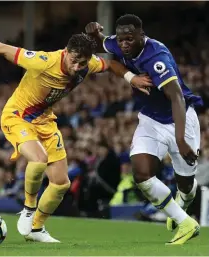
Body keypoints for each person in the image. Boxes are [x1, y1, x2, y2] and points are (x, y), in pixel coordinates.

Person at [0, 33, 151, 243]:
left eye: (82, 63)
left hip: (45, 122)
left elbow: (110, 64)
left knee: (61, 183)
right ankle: (29, 208)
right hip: (18, 116)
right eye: (74, 61)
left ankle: (36, 228)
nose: (77, 67)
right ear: (66, 52)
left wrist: (132, 78)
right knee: (38, 159)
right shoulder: (43, 61)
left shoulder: (88, 64)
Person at [85, 14, 203, 245]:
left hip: (180, 120)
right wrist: (93, 33)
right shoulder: (119, 43)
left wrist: (180, 139)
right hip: (150, 120)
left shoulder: (156, 57)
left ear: (142, 35)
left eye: (129, 39)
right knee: (141, 173)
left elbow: (176, 97)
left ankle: (185, 199)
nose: (124, 44)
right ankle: (186, 223)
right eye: (121, 40)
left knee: (186, 185)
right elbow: (104, 44)